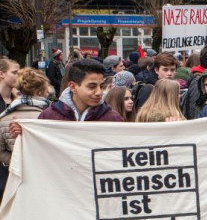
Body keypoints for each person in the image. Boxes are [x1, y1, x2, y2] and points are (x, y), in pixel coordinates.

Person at [0, 68, 50, 202]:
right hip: (46, 176)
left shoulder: (5, 117)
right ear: (40, 92)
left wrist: (15, 160)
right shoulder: (49, 117)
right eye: (46, 90)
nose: (48, 93)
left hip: (16, 177)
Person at [31, 59, 123, 122]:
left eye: (101, 86)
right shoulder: (48, 117)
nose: (99, 92)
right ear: (73, 86)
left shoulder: (113, 118)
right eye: (91, 86)